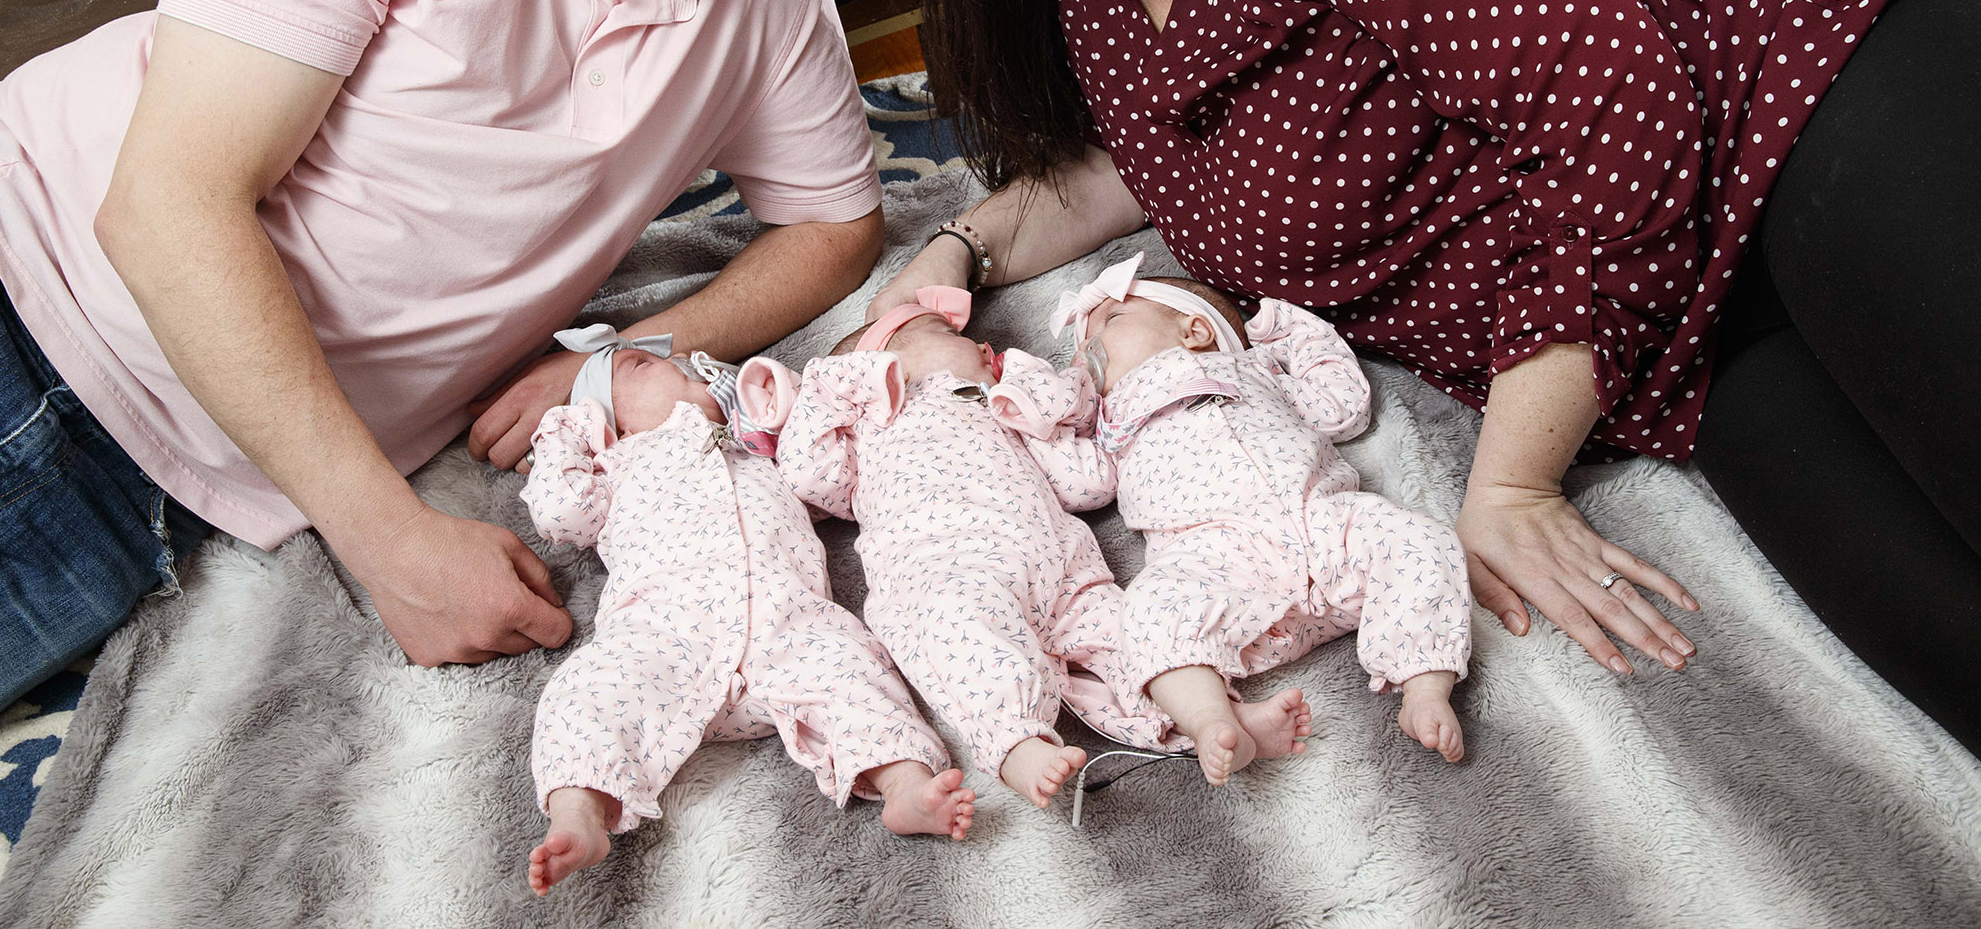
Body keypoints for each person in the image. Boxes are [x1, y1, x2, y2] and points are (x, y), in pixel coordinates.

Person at [876, 0, 1981, 751]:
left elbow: (1616, 113)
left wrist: (1506, 484)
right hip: (1681, 335)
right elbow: (1146, 162)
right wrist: (956, 250)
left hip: (1790, 87)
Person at [0, 0, 886, 725]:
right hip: (19, 302)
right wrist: (393, 543)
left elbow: (838, 223)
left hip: (171, 497)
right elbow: (165, 207)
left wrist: (621, 357)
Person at [772, 287, 1313, 808]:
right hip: (943, 568)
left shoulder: (1005, 408)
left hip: (1062, 567)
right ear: (888, 359)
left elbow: (1092, 483)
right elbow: (808, 475)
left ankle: (1211, 719)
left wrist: (1041, 410)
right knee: (960, 637)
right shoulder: (872, 422)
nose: (985, 344)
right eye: (947, 331)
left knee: (1126, 633)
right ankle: (1017, 742)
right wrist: (836, 384)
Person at [522, 337, 973, 896]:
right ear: (608, 425)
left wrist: (784, 407)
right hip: (665, 636)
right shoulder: (616, 467)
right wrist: (566, 428)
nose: (674, 364)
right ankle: (580, 814)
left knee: (855, 661)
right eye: (641, 366)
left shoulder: (759, 448)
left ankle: (905, 783)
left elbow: (826, 481)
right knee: (585, 688)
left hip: (788, 626)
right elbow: (559, 515)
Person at [995, 256, 1470, 770]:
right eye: (1081, 346)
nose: (1089, 349)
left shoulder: (1256, 371)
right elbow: (1082, 486)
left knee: (1416, 536)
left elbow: (1342, 406)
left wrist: (1289, 330)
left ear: (1195, 330)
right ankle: (1212, 719)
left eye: (1111, 321)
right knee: (1149, 607)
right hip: (1221, 565)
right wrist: (1039, 416)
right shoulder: (1110, 421)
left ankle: (1423, 683)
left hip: (1323, 522)